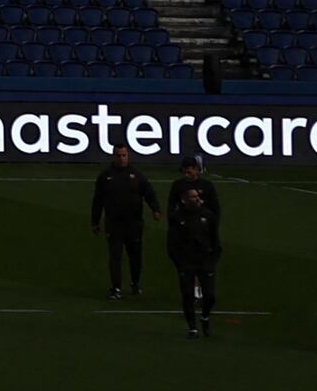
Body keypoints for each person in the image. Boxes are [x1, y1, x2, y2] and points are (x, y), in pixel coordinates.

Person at [165, 157, 225, 338]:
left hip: (205, 258)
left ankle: (205, 316)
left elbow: (216, 238)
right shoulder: (178, 211)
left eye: (190, 169)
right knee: (187, 294)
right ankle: (192, 327)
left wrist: (214, 257)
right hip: (187, 260)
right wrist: (178, 260)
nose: (187, 172)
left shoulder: (207, 204)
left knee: (210, 296)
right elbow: (172, 242)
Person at [87, 144, 154, 301]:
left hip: (134, 223)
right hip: (114, 223)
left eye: (124, 155)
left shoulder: (136, 175)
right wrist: (95, 221)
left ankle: (135, 283)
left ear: (128, 156)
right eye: (119, 155)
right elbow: (98, 200)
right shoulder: (105, 176)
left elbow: (148, 192)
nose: (122, 158)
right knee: (115, 256)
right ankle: (116, 287)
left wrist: (155, 208)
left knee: (135, 256)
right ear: (114, 156)